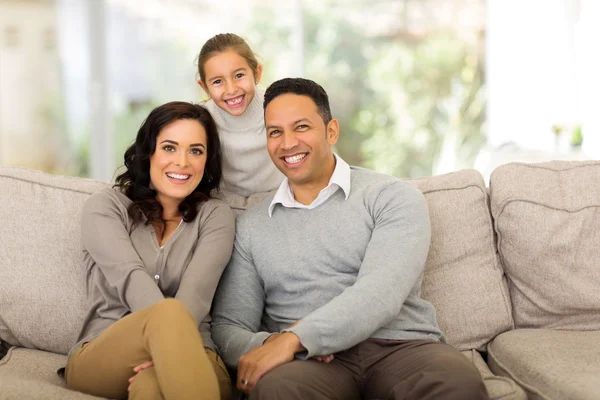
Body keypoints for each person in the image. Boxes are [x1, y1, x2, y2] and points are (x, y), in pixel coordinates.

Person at [211, 78, 490, 400]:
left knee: (457, 385)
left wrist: (299, 336)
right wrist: (273, 346)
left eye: (301, 127)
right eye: (275, 132)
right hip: (307, 364)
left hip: (400, 347)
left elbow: (381, 293)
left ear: (331, 131)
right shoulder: (251, 226)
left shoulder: (392, 197)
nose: (287, 143)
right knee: (278, 391)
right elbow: (229, 326)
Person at [64, 102, 235, 400]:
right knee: (168, 312)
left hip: (197, 352)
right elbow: (130, 279)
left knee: (151, 387)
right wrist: (162, 339)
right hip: (105, 353)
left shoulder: (216, 216)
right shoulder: (105, 208)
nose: (182, 162)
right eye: (170, 147)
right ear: (149, 152)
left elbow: (196, 294)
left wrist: (169, 355)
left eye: (195, 150)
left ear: (207, 160)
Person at [196, 33, 283, 197]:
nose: (231, 89)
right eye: (217, 81)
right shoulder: (201, 120)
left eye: (239, 75)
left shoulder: (278, 107)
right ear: (205, 87)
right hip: (228, 205)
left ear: (257, 73)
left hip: (281, 198)